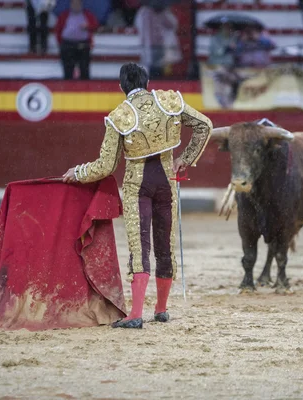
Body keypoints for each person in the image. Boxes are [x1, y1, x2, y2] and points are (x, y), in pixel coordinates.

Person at [62, 63, 213, 329]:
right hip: (167, 181)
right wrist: (185, 160)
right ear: (147, 82)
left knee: (140, 245)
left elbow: (106, 166)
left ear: (121, 87)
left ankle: (135, 314)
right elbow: (205, 125)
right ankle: (162, 309)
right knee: (164, 243)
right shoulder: (169, 101)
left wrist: (79, 172)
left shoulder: (120, 115)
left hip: (138, 186)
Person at [55, 0, 99, 80]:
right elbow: (58, 30)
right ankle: (68, 84)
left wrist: (87, 26)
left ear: (81, 5)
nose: (76, 6)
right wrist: (60, 43)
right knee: (68, 68)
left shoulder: (87, 15)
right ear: (70, 5)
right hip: (68, 44)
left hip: (83, 44)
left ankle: (85, 85)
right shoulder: (64, 15)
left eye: (78, 4)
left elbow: (95, 26)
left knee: (84, 67)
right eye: (74, 4)